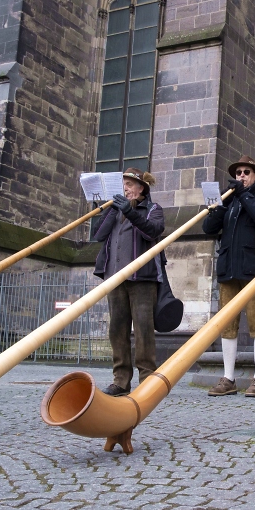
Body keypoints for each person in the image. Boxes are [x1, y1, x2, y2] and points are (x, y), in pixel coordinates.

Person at [204, 155, 255, 398]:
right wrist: (217, 205)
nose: (241, 176)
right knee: (227, 324)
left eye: (246, 172)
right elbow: (208, 228)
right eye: (238, 173)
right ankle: (229, 378)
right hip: (229, 269)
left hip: (253, 269)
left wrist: (243, 195)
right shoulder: (229, 201)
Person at [93, 167, 165, 396]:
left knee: (143, 329)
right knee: (117, 329)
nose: (125, 188)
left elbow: (152, 232)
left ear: (140, 187)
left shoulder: (153, 209)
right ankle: (121, 380)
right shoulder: (114, 209)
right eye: (123, 184)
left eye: (129, 184)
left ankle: (147, 380)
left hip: (142, 278)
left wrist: (131, 213)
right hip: (113, 278)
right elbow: (98, 235)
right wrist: (106, 211)